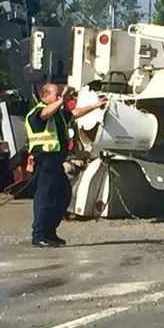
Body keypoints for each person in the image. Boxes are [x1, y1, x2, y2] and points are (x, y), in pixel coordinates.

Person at [25, 83, 105, 247]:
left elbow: (75, 113)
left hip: (56, 163)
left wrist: (96, 106)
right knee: (45, 199)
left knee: (63, 196)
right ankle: (39, 234)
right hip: (45, 162)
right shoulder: (37, 112)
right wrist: (62, 100)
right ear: (46, 96)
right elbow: (45, 113)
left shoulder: (58, 115)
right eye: (56, 93)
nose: (60, 95)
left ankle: (50, 233)